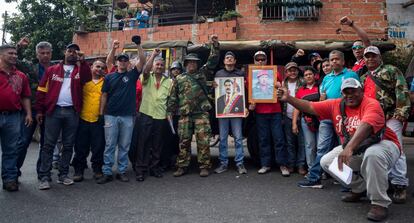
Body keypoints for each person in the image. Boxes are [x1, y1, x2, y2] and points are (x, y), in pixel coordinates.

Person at [278, 77, 401, 222]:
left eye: (353, 91)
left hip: (384, 144)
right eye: (346, 92)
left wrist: (349, 148)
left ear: (361, 91)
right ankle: (360, 188)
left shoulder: (371, 104)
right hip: (357, 147)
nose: (350, 95)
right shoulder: (336, 104)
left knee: (372, 155)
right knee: (327, 161)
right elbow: (310, 106)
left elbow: (366, 126)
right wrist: (289, 98)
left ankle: (379, 202)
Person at [298, 50, 359, 188]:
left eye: (337, 59)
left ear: (343, 61)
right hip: (327, 117)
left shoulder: (351, 74)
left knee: (345, 147)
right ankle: (314, 178)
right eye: (332, 60)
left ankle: (347, 182)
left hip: (345, 117)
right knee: (322, 148)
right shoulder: (326, 78)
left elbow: (357, 94)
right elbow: (322, 97)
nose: (334, 62)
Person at [35, 43, 91, 190]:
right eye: (69, 51)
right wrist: (40, 111)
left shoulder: (80, 70)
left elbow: (87, 78)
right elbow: (41, 91)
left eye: (75, 52)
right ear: (64, 52)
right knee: (48, 145)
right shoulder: (52, 70)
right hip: (53, 112)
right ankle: (45, 177)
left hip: (72, 112)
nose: (72, 53)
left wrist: (83, 61)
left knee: (68, 145)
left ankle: (63, 175)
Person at [359, 46, 411, 204]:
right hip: (372, 120)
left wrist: (402, 111)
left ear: (379, 57)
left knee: (397, 149)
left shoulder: (391, 70)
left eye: (373, 56)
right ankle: (382, 183)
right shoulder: (363, 77)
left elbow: (401, 89)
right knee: (375, 151)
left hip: (390, 116)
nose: (370, 59)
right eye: (367, 56)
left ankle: (400, 184)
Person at [167, 34, 220, 177]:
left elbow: (212, 61)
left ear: (197, 64)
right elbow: (173, 97)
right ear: (185, 64)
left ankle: (204, 166)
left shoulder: (202, 74)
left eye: (194, 62)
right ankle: (182, 166)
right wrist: (170, 112)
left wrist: (214, 45)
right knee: (183, 141)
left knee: (203, 142)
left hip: (201, 114)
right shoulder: (179, 78)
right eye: (189, 62)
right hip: (185, 114)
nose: (192, 64)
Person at [97, 40, 146, 184]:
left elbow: (142, 60)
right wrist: (101, 113)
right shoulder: (109, 76)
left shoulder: (132, 75)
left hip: (127, 116)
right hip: (110, 115)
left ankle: (122, 171)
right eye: (120, 60)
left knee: (125, 145)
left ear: (128, 62)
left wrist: (138, 45)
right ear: (117, 62)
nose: (122, 62)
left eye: (125, 60)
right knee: (110, 145)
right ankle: (107, 172)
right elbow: (104, 95)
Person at [15, 38, 57, 179]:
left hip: (50, 110)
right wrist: (19, 47)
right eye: (42, 53)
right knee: (23, 141)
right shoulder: (29, 67)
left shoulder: (57, 68)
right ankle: (13, 172)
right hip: (31, 109)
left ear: (51, 54)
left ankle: (43, 173)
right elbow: (15, 60)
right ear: (37, 55)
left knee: (47, 144)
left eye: (47, 53)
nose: (45, 55)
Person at [249, 51, 289, 176]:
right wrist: (251, 104)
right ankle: (265, 164)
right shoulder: (251, 75)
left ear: (266, 60)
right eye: (258, 59)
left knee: (279, 138)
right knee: (263, 139)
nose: (260, 61)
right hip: (260, 112)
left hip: (275, 111)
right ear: (254, 61)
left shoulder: (275, 73)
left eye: (263, 59)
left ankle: (282, 164)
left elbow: (282, 90)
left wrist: (279, 86)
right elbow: (248, 92)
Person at [135, 49, 172, 182]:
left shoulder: (169, 82)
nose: (159, 67)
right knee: (143, 143)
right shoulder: (146, 77)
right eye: (157, 64)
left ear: (164, 68)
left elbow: (169, 100)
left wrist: (169, 113)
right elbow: (145, 70)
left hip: (161, 116)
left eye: (162, 65)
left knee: (157, 144)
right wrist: (153, 56)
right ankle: (141, 170)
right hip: (146, 113)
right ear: (153, 66)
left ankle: (154, 168)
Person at [0, 44, 32, 192]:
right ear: (1, 55)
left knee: (11, 150)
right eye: (10, 53)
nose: (14, 56)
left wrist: (29, 114)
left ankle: (9, 179)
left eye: (15, 54)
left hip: (13, 116)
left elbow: (25, 96)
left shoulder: (21, 76)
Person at [71, 60, 107, 183]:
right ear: (91, 67)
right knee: (81, 146)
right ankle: (79, 170)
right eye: (97, 66)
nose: (99, 69)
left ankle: (97, 169)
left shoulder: (106, 82)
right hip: (83, 118)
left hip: (98, 119)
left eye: (102, 68)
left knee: (98, 147)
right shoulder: (83, 81)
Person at [214, 51, 247, 174]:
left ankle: (240, 164)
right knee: (222, 138)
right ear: (224, 61)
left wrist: (246, 106)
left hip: (237, 110)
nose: (229, 59)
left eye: (231, 58)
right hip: (222, 111)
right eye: (227, 58)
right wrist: (214, 85)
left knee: (238, 138)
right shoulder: (218, 74)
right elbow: (216, 91)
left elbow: (245, 92)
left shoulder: (241, 74)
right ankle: (223, 163)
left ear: (234, 61)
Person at [292, 66, 320, 171]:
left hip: (320, 119)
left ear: (314, 75)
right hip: (306, 121)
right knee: (310, 145)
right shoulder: (300, 91)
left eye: (310, 74)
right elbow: (296, 108)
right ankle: (312, 170)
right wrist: (294, 123)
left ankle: (321, 170)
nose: (308, 76)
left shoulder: (320, 87)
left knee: (320, 146)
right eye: (306, 75)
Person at [283, 62, 306, 175]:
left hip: (301, 116)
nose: (293, 72)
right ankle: (291, 164)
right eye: (290, 70)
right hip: (287, 116)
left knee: (302, 142)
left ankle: (301, 165)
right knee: (289, 142)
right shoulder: (283, 84)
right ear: (286, 72)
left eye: (294, 70)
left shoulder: (303, 82)